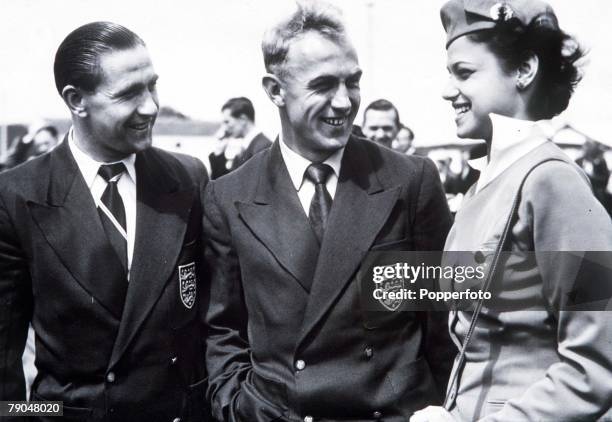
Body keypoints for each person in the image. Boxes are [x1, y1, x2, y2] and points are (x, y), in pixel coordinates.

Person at [203, 2, 454, 421]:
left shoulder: (411, 179)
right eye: (323, 85)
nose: (344, 102)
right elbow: (222, 330)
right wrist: (237, 406)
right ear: (275, 90)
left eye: (352, 82)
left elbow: (446, 321)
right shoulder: (228, 197)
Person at [411, 1, 612, 421]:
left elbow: (596, 365)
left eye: (464, 73)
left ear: (524, 69)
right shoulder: (485, 182)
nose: (448, 90)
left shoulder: (554, 183)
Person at [0, 22, 209, 421]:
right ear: (76, 100)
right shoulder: (17, 195)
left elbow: (213, 320)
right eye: (130, 93)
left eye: (152, 86)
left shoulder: (187, 179)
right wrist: (39, 415)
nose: (150, 106)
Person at [208, 97, 271, 179]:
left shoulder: (263, 148)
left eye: (227, 122)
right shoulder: (249, 147)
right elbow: (227, 184)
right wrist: (219, 152)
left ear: (243, 119)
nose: (224, 128)